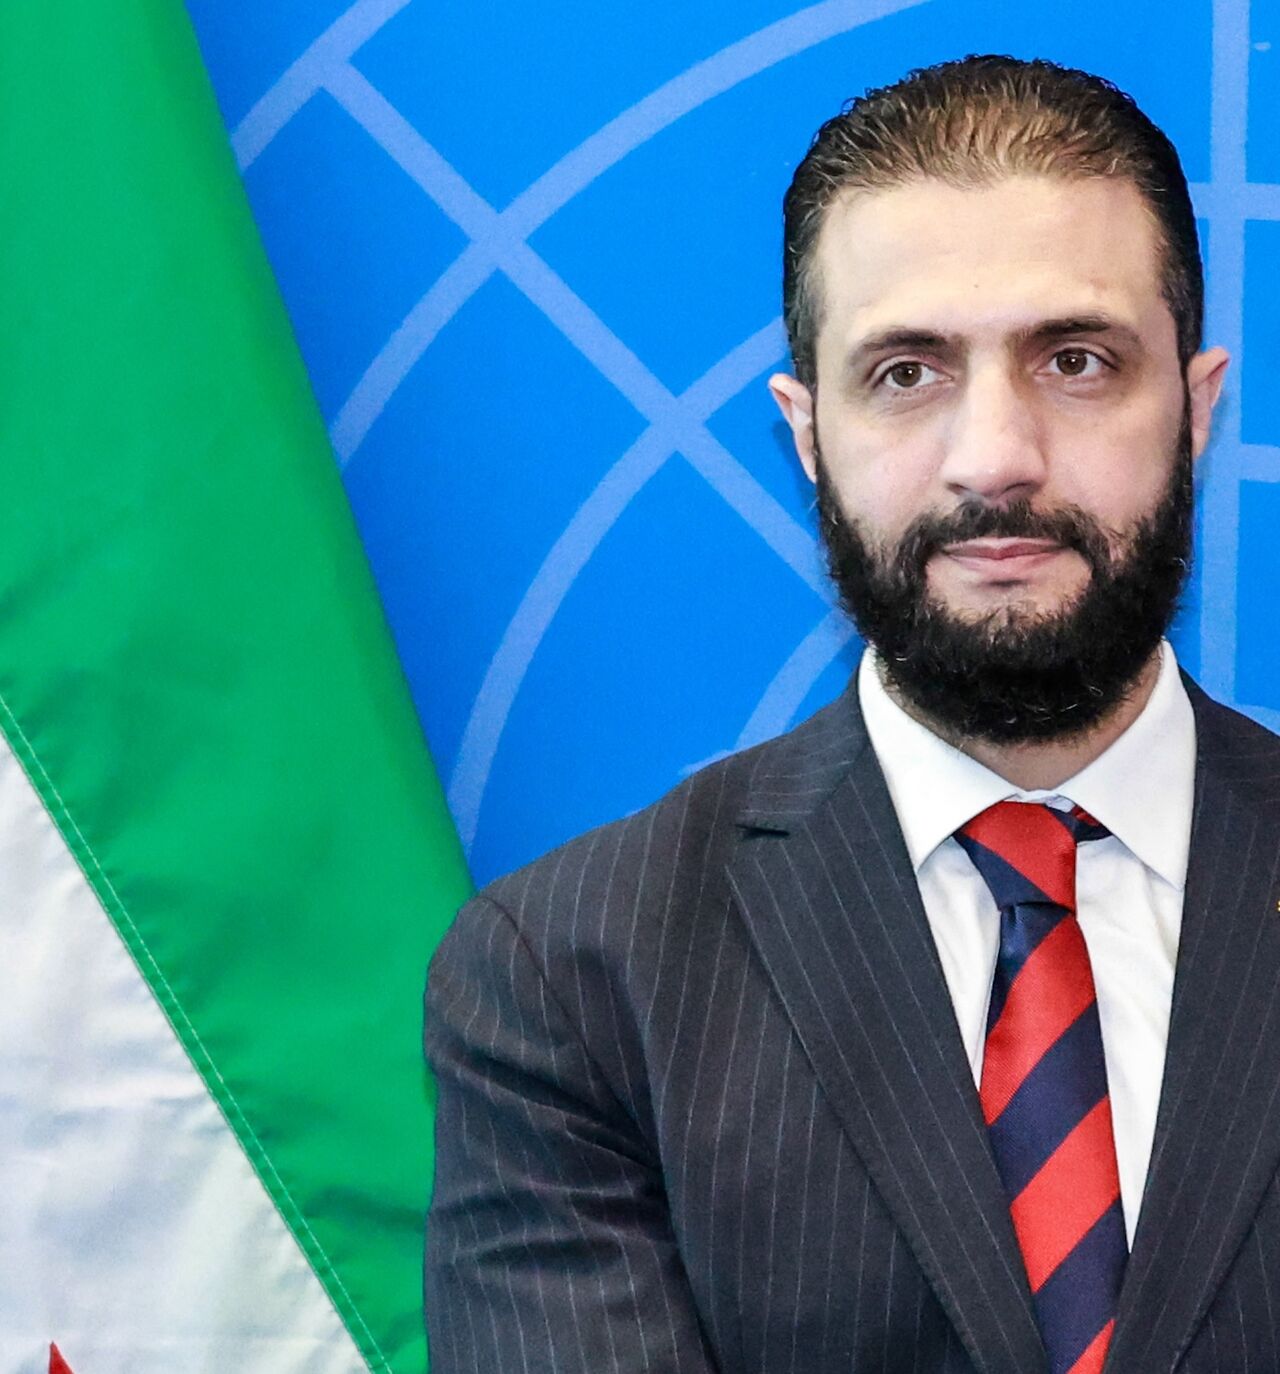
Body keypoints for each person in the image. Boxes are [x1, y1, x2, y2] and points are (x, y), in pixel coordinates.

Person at [424, 56, 1280, 1374]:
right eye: (905, 373)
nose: (996, 454)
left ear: (1200, 406)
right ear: (806, 432)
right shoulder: (574, 981)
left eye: (1076, 358)